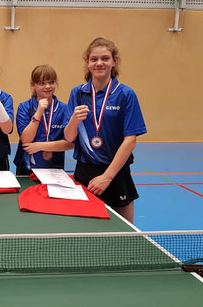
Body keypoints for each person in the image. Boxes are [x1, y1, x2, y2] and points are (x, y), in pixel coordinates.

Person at [63, 37, 146, 223]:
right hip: (85, 171)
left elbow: (130, 140)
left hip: (116, 173)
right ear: (87, 63)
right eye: (94, 59)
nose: (99, 63)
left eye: (105, 58)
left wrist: (107, 178)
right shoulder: (77, 93)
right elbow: (69, 138)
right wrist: (73, 121)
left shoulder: (125, 94)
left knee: (124, 234)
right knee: (84, 231)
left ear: (114, 61)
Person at [14, 65, 73, 175]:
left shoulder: (65, 109)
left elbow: (70, 143)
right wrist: (39, 112)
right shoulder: (24, 107)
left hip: (55, 168)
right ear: (33, 85)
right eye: (42, 83)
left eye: (51, 82)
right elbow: (26, 140)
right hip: (27, 169)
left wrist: (39, 146)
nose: (48, 86)